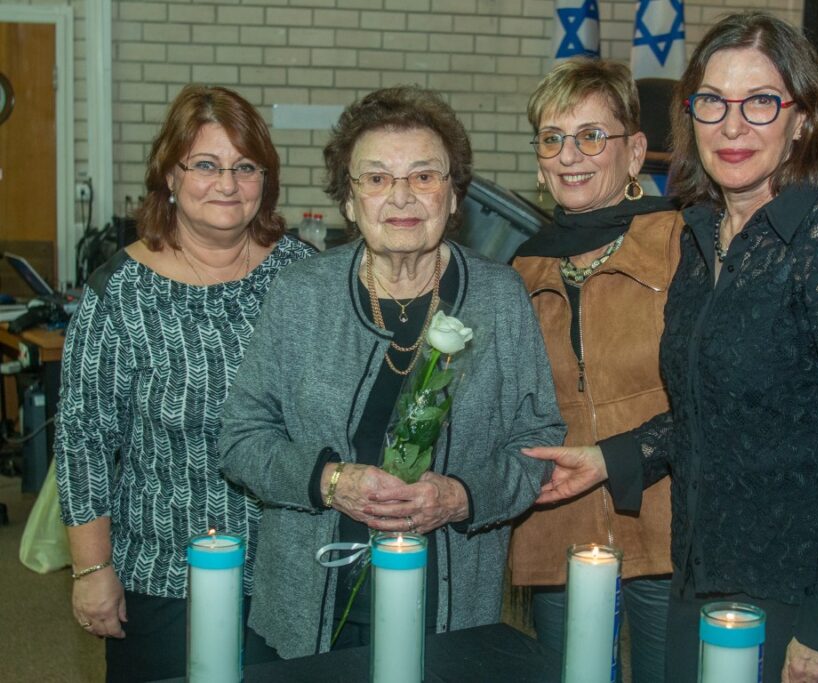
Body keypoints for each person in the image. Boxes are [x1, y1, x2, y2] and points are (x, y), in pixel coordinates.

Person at [524, 13, 818, 683]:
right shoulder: (702, 238)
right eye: (713, 102)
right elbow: (708, 412)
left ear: (802, 119)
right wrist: (607, 458)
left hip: (800, 589)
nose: (732, 126)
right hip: (703, 573)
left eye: (760, 102)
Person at [218, 85, 565, 660]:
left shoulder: (500, 297)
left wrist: (460, 497)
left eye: (424, 176)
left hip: (451, 609)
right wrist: (331, 482)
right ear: (349, 202)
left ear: (453, 197)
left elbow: (537, 441)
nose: (401, 196)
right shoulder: (301, 294)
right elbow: (240, 439)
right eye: (377, 178)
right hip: (310, 607)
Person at [54, 85, 316, 681]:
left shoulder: (304, 277)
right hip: (164, 577)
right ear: (170, 175)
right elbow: (83, 442)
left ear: (265, 180)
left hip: (290, 577)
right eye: (205, 165)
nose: (227, 183)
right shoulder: (120, 292)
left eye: (245, 167)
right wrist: (92, 571)